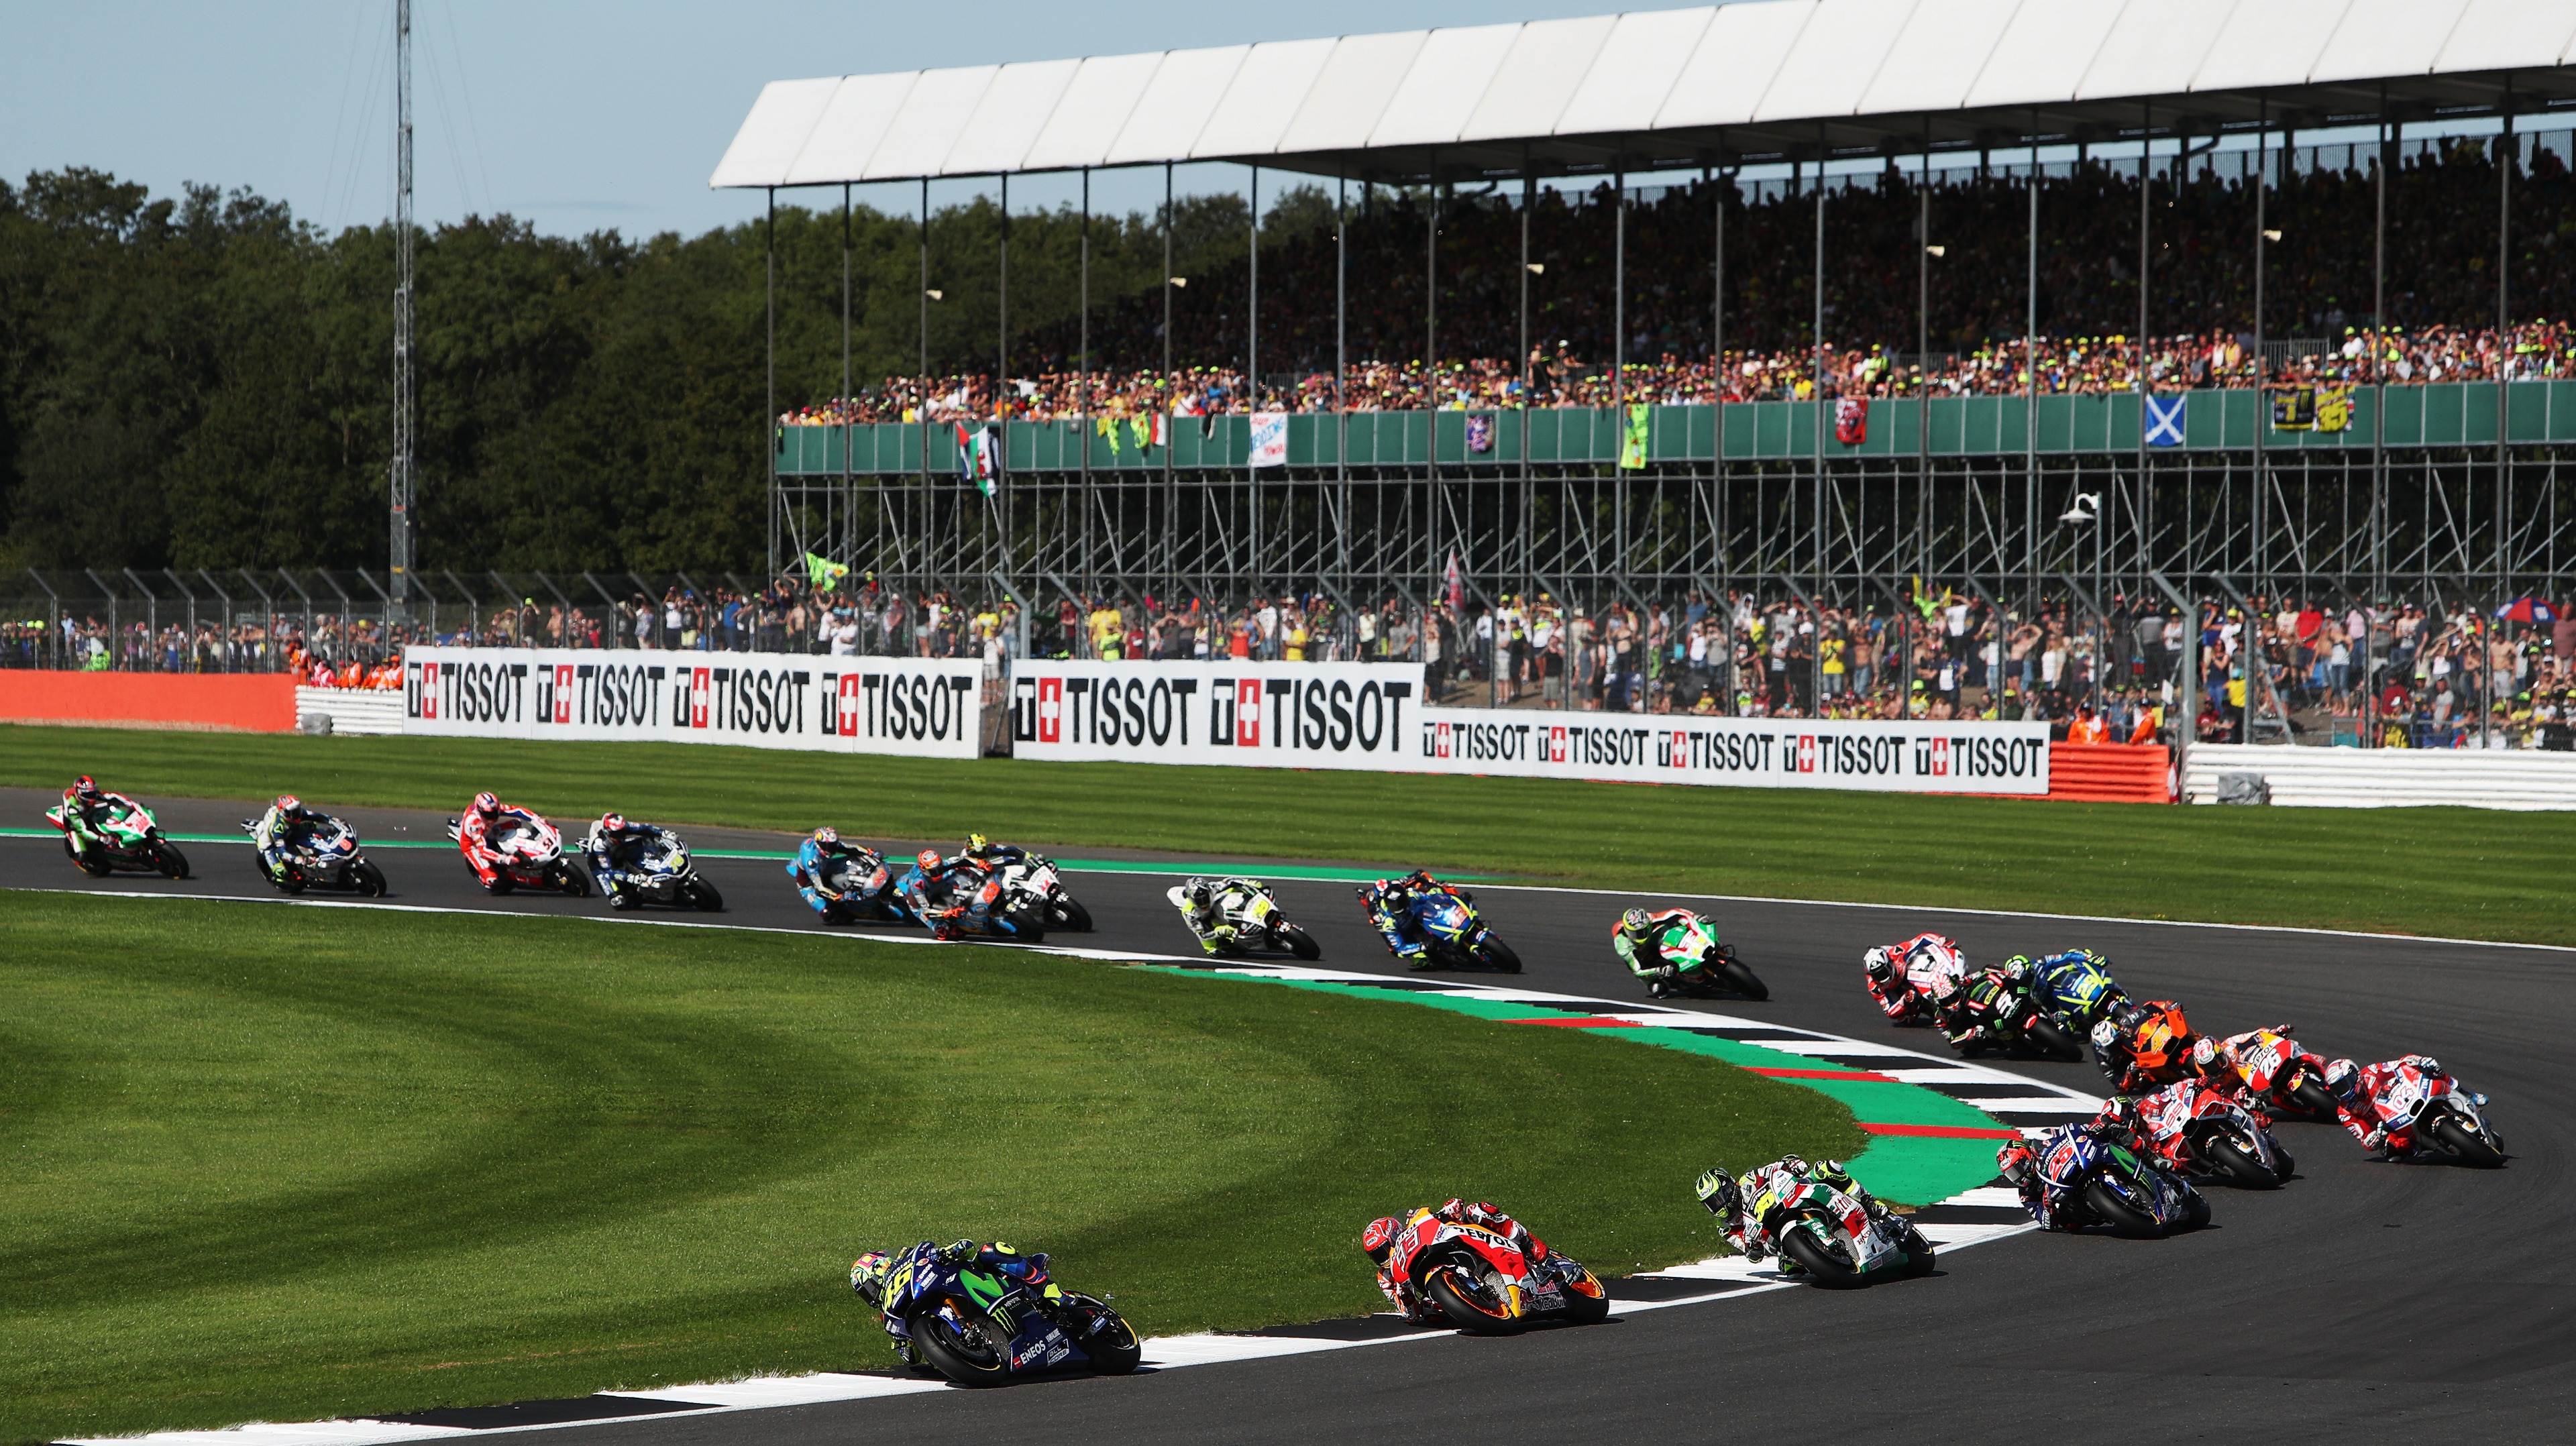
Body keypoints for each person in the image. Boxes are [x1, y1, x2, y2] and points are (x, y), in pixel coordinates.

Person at [1361, 1200, 1546, 1323]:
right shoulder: (1386, 1278)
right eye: (1376, 1255)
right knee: (1431, 1312)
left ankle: (1530, 1243)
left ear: (1394, 1233)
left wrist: (1450, 1210)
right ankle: (1480, 1305)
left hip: (1460, 1242)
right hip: (1446, 1296)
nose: (1383, 1257)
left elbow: (1447, 1211)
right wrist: (1405, 1295)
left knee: (1478, 1210)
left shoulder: (1413, 1224)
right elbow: (1411, 1315)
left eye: (1383, 1249)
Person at [1695, 1156, 1897, 1263]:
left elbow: (1774, 1168)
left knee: (1828, 1168)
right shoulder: (1728, 1228)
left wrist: (1791, 1164)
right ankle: (1812, 1255)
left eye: (1718, 1198)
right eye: (1711, 1204)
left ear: (1729, 1186)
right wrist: (1752, 1249)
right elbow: (1750, 1253)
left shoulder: (1749, 1180)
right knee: (1790, 1268)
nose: (1718, 1205)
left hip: (1791, 1199)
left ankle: (1870, 1203)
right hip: (1779, 1240)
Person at [2322, 1054, 2453, 1156]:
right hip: (2390, 1126)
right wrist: (2374, 1137)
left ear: (2355, 1073)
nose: (2344, 1091)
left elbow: (2399, 1064)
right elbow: (2365, 1139)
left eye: (2345, 1083)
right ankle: (2424, 1144)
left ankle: (2460, 1091)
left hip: (2404, 1098)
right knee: (2393, 1150)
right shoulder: (2344, 1112)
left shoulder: (2371, 1072)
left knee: (2433, 1071)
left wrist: (2419, 1061)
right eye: (2338, 1089)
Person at [2090, 998, 2202, 1093]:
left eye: (2115, 1043)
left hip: (2150, 1047)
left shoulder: (2122, 1029)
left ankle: (2199, 1040)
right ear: (2104, 1049)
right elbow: (2120, 1086)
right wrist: (2129, 1075)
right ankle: (2178, 1082)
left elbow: (2144, 1012)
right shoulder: (2105, 1063)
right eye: (2111, 1047)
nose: (2115, 1047)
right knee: (2145, 1083)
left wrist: (2166, 1005)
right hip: (2138, 1068)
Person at [1357, 869, 1464, 962]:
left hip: (1412, 911)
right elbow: (1400, 949)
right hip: (1401, 927)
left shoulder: (1403, 890)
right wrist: (1422, 947)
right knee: (1421, 960)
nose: (1397, 906)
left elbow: (1420, 874)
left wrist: (1438, 887)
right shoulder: (1380, 915)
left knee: (1431, 894)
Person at [1862, 932, 1965, 1023]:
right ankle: (1922, 1007)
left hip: (1908, 972)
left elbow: (1922, 939)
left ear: (1890, 963)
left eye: (1884, 972)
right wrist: (1905, 1000)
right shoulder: (1875, 987)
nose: (1882, 978)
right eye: (1877, 975)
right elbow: (1890, 1011)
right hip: (1896, 990)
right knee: (1903, 1018)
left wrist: (1943, 941)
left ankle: (1949, 978)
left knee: (1922, 958)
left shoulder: (1898, 953)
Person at [1611, 906, 1706, 995]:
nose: (1640, 936)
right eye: (1635, 934)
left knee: (1675, 927)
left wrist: (1695, 918)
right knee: (1658, 989)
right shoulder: (1623, 946)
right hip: (1643, 961)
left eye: (1643, 931)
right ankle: (1680, 982)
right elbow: (1638, 971)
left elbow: (1675, 912)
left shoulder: (1651, 918)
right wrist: (1660, 970)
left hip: (1654, 943)